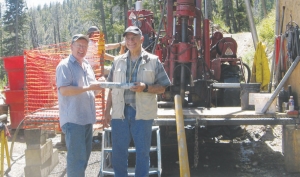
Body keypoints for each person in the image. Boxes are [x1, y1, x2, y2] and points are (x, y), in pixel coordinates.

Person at [104, 26, 171, 177]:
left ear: (141, 39)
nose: (130, 41)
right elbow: (111, 88)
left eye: (133, 38)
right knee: (118, 153)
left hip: (142, 114)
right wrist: (107, 111)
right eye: (127, 38)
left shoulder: (153, 61)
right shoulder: (117, 61)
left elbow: (163, 87)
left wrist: (145, 87)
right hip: (119, 114)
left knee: (143, 153)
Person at [56, 34, 103, 177]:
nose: (82, 49)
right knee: (77, 161)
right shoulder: (65, 65)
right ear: (71, 47)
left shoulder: (87, 65)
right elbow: (64, 90)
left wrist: (101, 85)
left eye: (85, 46)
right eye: (79, 45)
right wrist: (89, 88)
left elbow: (91, 92)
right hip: (73, 121)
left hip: (87, 119)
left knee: (83, 159)